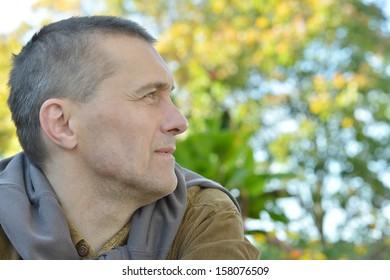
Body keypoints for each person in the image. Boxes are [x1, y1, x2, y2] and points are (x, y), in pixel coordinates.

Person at [0, 15, 260, 260]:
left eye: (169, 96)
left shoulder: (203, 214)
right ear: (63, 124)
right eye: (149, 96)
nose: (180, 123)